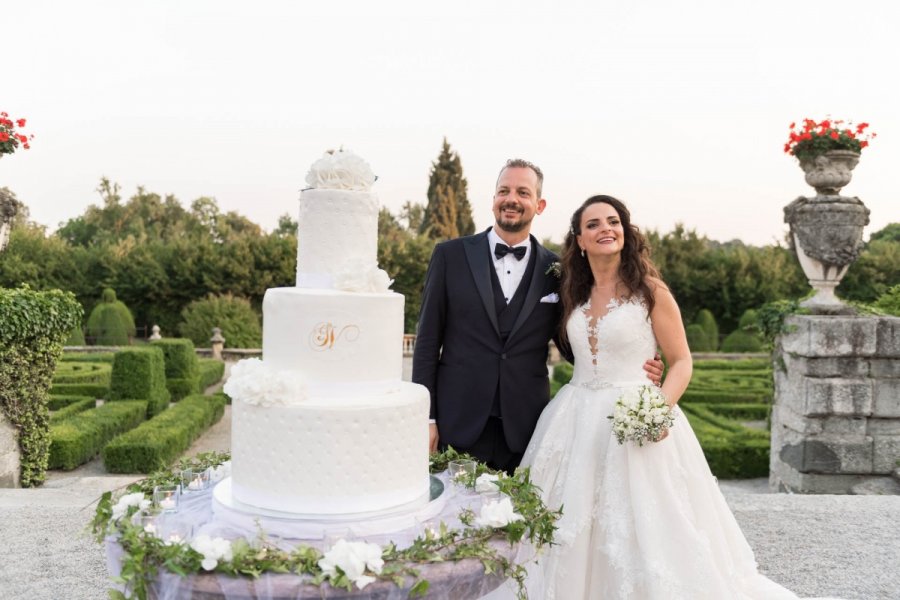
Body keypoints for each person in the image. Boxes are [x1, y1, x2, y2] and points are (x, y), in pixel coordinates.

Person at [519, 195, 798, 599]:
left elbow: (682, 360)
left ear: (626, 231)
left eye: (613, 221)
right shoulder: (570, 293)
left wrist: (656, 411)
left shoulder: (650, 291)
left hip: (636, 417)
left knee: (646, 522)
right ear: (579, 239)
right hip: (574, 418)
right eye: (593, 224)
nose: (605, 229)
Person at [412, 160, 662, 473]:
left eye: (522, 192)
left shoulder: (560, 271)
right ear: (493, 200)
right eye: (503, 191)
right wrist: (426, 419)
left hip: (526, 427)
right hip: (457, 420)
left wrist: (634, 362)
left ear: (539, 205)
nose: (511, 199)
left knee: (517, 519)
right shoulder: (450, 256)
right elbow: (426, 343)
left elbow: (576, 341)